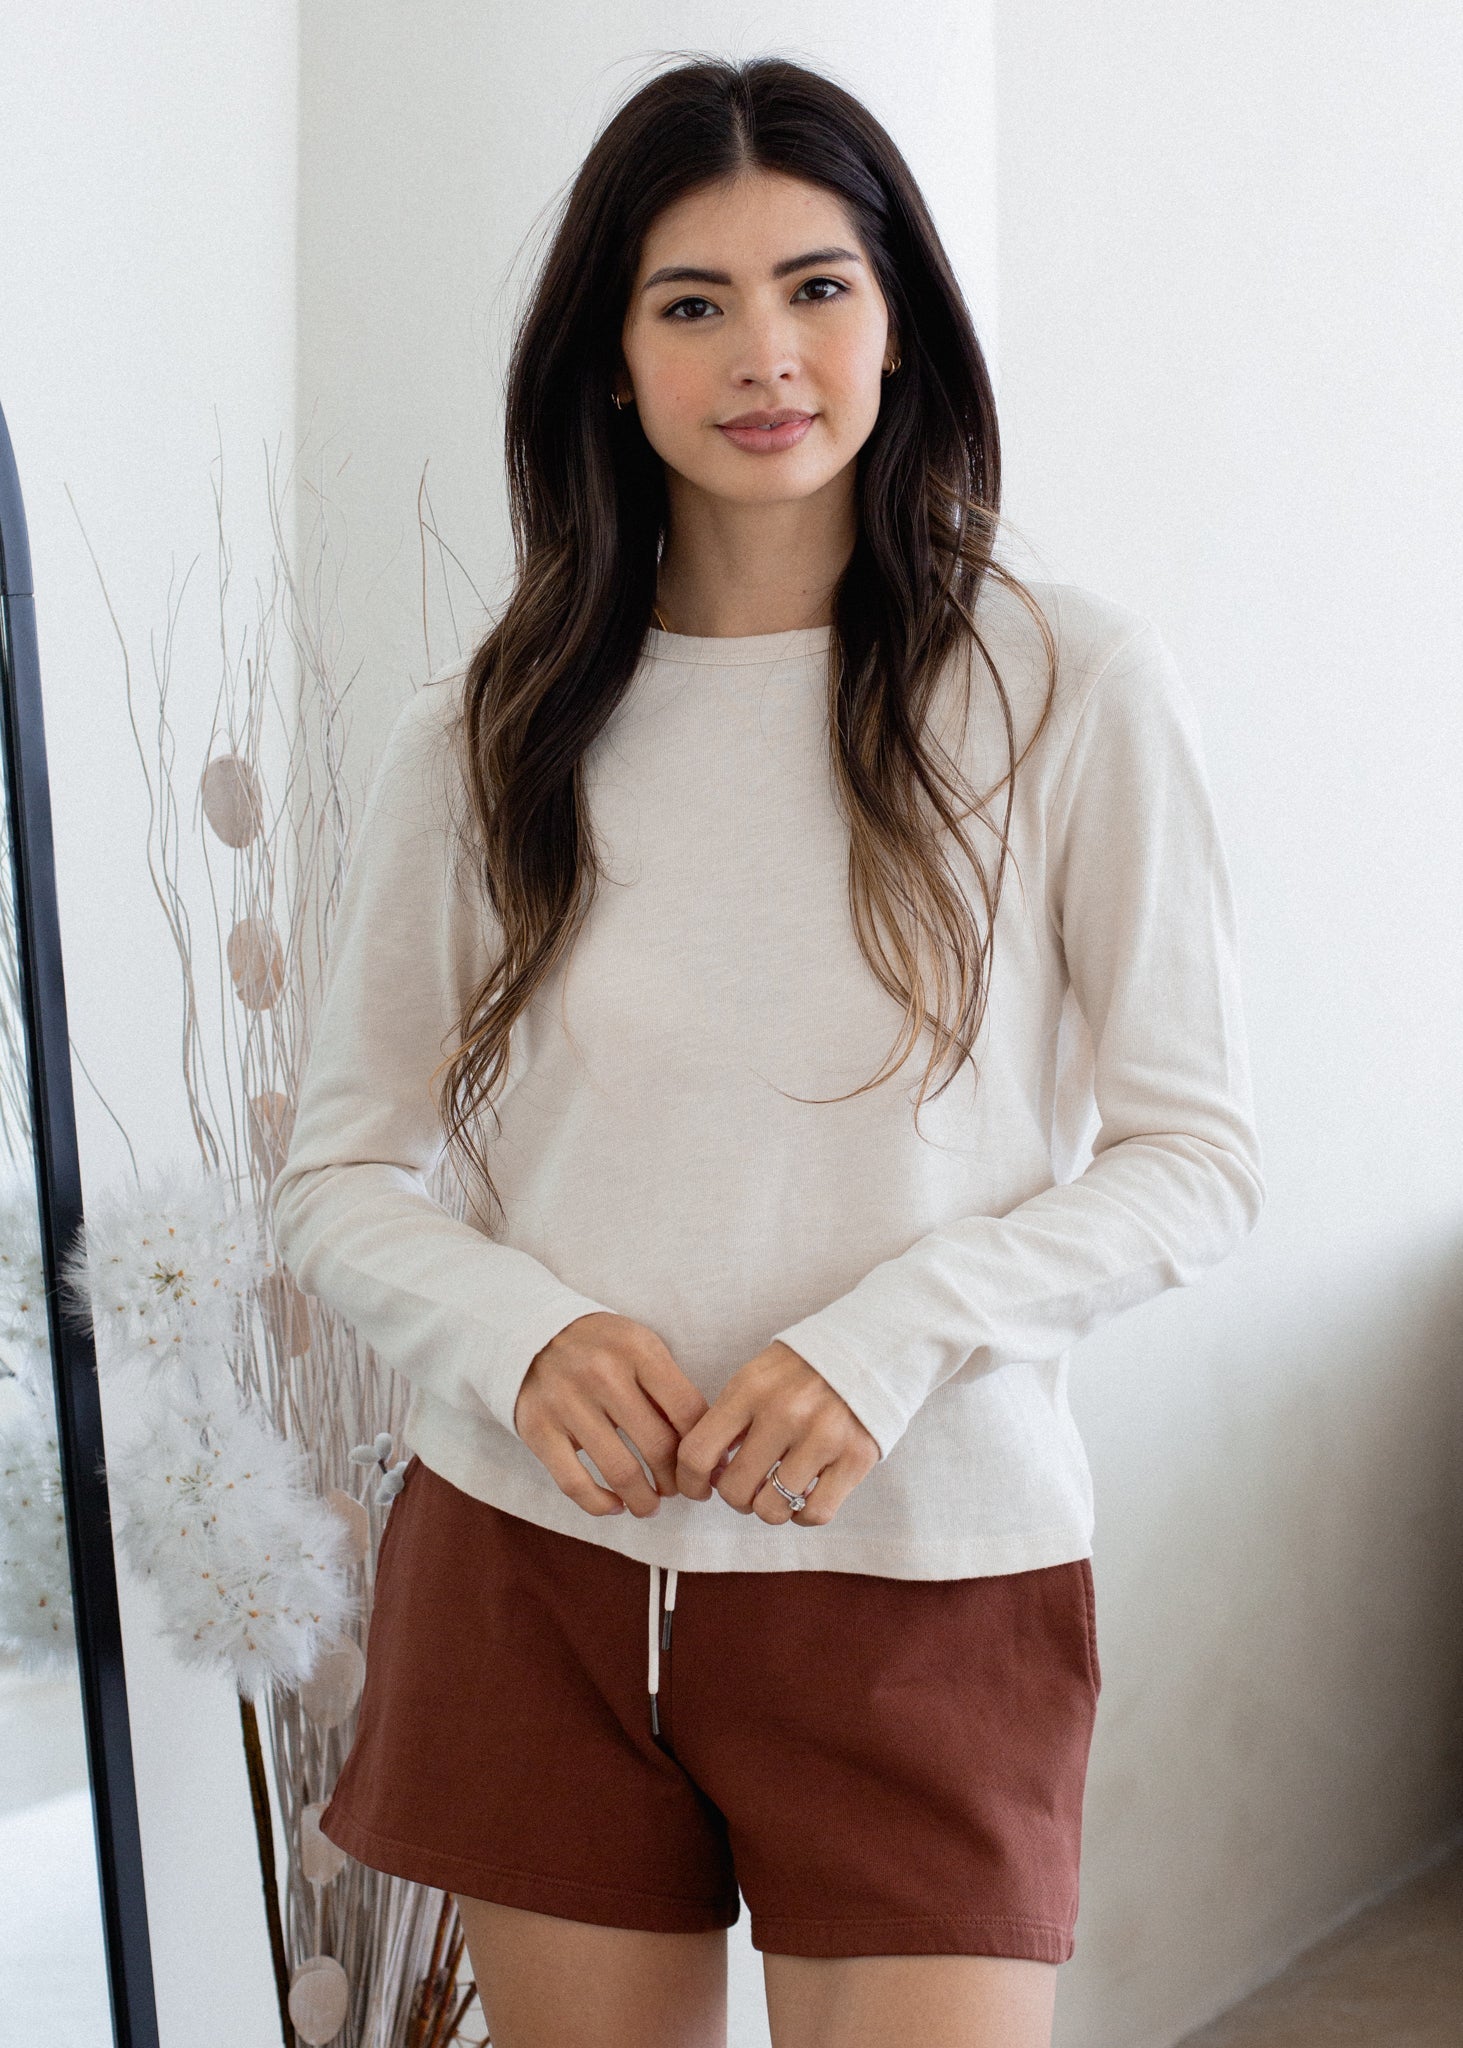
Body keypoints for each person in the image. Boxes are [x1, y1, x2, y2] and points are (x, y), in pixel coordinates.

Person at [271, 53, 1265, 2048]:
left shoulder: (1063, 686)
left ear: (898, 321)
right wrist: (517, 1329)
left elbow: (1198, 1153)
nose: (766, 353)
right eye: (691, 302)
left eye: (816, 285)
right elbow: (340, 1171)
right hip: (537, 1575)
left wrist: (897, 1330)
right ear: (612, 360)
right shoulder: (491, 730)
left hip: (923, 1580)